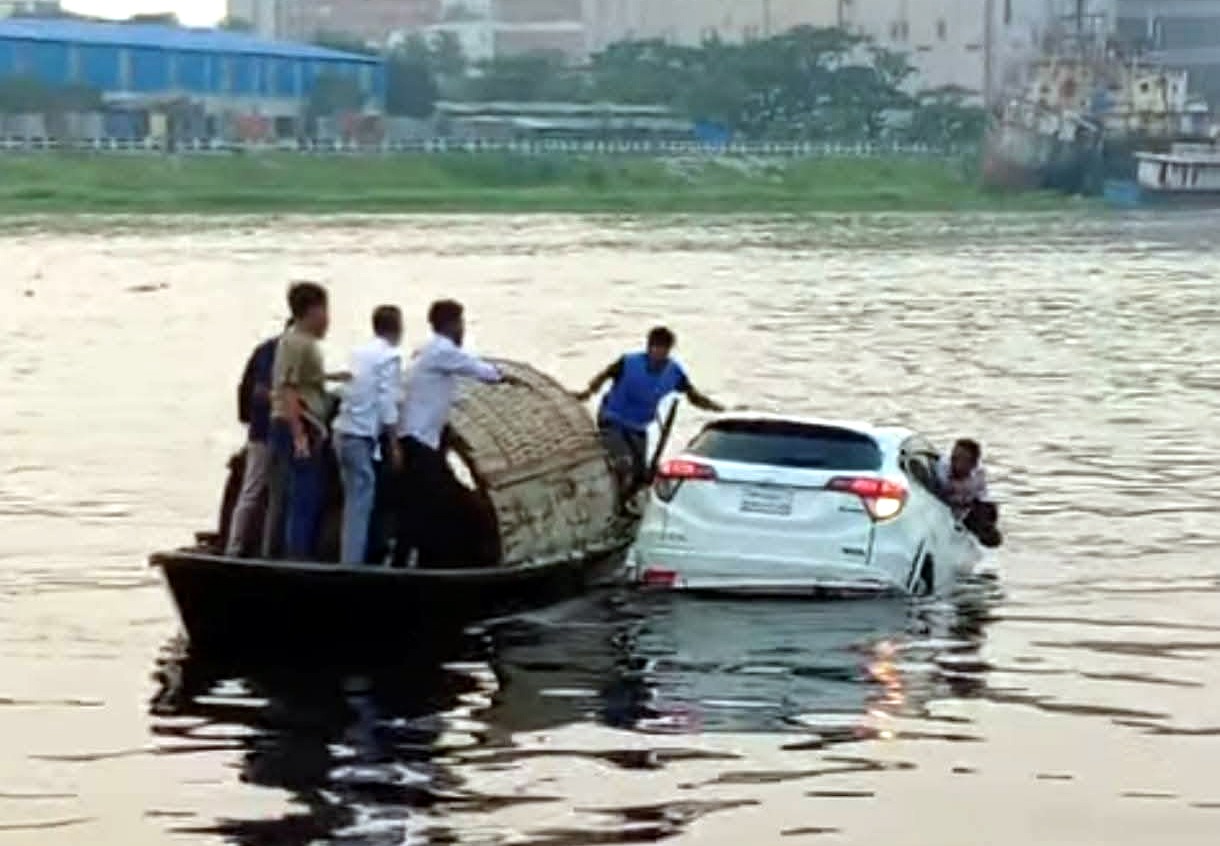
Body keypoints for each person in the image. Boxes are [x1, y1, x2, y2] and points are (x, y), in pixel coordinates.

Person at [392, 299, 512, 568]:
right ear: (452, 325)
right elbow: (483, 371)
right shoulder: (442, 351)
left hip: (417, 439)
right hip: (419, 442)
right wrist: (505, 375)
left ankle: (412, 561)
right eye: (461, 323)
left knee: (417, 504)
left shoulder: (426, 351)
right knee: (433, 503)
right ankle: (427, 563)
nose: (463, 330)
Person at [575, 326, 724, 494]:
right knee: (624, 462)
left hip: (638, 426)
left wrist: (718, 409)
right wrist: (588, 392)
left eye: (663, 348)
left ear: (669, 350)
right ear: (648, 347)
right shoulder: (628, 362)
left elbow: (693, 396)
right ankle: (613, 498)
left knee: (642, 474)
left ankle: (630, 503)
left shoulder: (674, 372)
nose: (658, 353)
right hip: (612, 419)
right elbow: (604, 376)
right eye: (655, 347)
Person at [263, 282, 332, 560]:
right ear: (312, 311)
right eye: (325, 311)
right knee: (304, 493)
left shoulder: (306, 342)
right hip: (298, 423)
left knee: (305, 491)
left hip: (304, 421)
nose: (328, 318)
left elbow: (305, 381)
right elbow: (288, 388)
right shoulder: (295, 342)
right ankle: (297, 554)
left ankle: (296, 549)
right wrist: (299, 435)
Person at [333, 305, 404, 566]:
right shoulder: (390, 356)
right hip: (359, 436)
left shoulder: (358, 353)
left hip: (341, 431)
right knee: (360, 504)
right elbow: (388, 402)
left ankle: (350, 558)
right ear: (397, 328)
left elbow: (345, 386)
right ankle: (351, 567)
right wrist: (394, 443)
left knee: (353, 499)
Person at [223, 322, 287, 557]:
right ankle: (236, 546)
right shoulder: (275, 351)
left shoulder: (266, 349)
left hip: (262, 429)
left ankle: (259, 546)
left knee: (266, 490)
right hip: (266, 431)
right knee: (254, 489)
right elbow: (261, 391)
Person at [935, 438, 1002, 548]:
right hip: (942, 510)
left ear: (972, 464)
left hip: (965, 511)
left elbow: (981, 499)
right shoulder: (941, 469)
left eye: (959, 459)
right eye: (953, 456)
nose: (953, 460)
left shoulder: (978, 475)